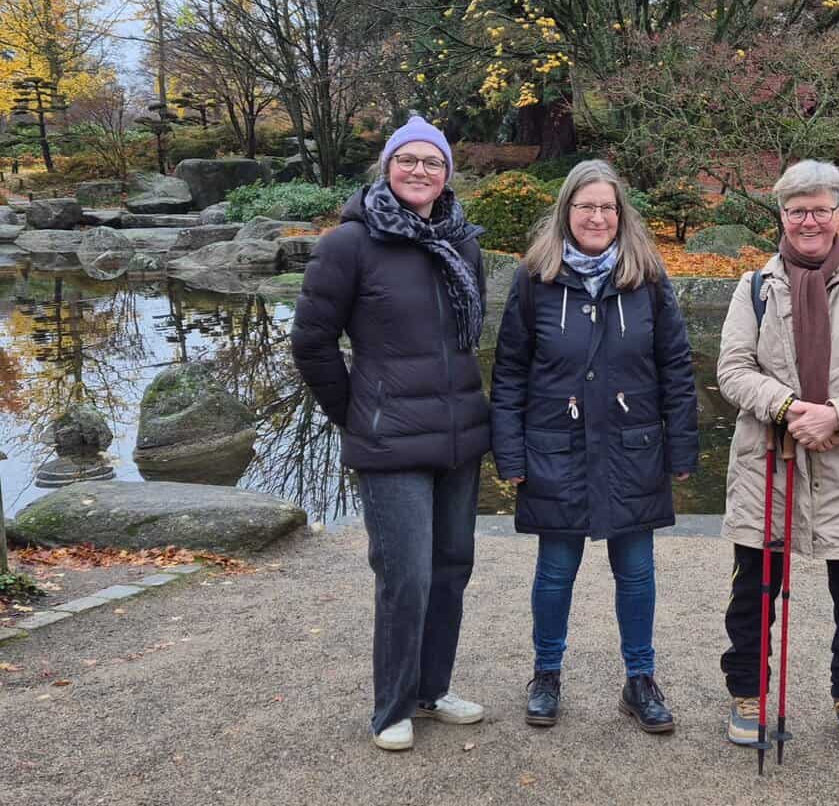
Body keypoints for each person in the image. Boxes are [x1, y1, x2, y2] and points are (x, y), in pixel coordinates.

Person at [290, 115, 490, 752]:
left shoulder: (463, 243)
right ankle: (392, 707)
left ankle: (432, 689)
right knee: (406, 574)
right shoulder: (348, 243)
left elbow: (469, 337)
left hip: (458, 436)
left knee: (452, 568)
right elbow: (313, 342)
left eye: (433, 163)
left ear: (447, 175)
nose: (420, 172)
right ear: (387, 167)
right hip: (391, 440)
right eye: (408, 160)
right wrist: (356, 411)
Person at [490, 159, 699, 733]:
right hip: (555, 448)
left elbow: (676, 369)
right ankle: (546, 674)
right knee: (555, 570)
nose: (597, 216)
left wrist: (681, 451)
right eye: (586, 206)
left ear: (621, 214)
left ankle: (640, 679)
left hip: (633, 448)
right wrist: (510, 454)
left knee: (636, 571)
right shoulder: (534, 280)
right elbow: (509, 373)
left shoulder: (648, 280)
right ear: (567, 211)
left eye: (607, 207)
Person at [716, 159, 839, 755]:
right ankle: (748, 692)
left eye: (821, 209)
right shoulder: (754, 286)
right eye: (797, 210)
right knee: (754, 593)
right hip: (768, 467)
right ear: (782, 215)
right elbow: (733, 370)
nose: (809, 221)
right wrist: (788, 408)